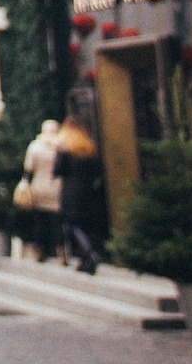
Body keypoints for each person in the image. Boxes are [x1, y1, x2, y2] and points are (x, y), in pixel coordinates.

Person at [53, 113, 105, 273]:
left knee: (72, 223)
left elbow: (57, 170)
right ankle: (86, 259)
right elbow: (98, 170)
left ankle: (89, 253)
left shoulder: (65, 148)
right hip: (88, 189)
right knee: (86, 223)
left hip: (71, 190)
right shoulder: (88, 147)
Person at [21, 119, 65, 260]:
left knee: (40, 220)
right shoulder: (61, 146)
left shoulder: (35, 146)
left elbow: (28, 168)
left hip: (38, 186)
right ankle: (61, 250)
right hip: (57, 187)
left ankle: (40, 251)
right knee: (58, 221)